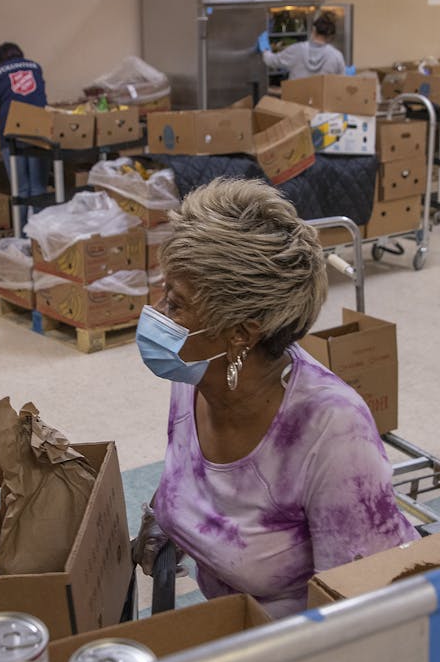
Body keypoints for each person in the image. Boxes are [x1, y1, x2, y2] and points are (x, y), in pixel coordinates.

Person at [130, 178, 418, 618]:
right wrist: (164, 516)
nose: (156, 315)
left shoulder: (333, 435)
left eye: (175, 304)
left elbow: (360, 615)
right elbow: (196, 477)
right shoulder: (194, 375)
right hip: (233, 628)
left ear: (240, 333)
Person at [0, 42, 49, 226]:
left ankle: (21, 235)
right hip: (38, 132)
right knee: (38, 187)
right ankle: (41, 235)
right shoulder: (35, 67)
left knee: (20, 189)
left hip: (11, 135)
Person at [258, 12, 349, 80]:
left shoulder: (297, 50)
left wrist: (265, 49)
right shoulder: (336, 56)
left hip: (297, 102)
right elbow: (341, 83)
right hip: (322, 103)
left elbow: (271, 61)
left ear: (313, 30)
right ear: (330, 36)